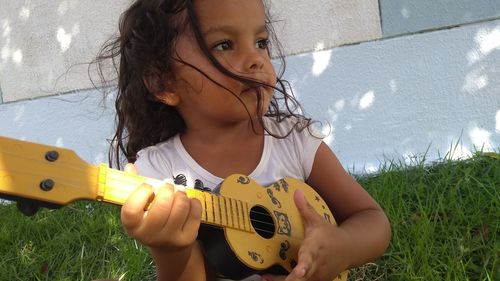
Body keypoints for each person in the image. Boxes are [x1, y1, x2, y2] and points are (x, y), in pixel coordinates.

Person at [96, 0, 391, 280]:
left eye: (261, 42)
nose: (255, 60)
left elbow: (371, 219)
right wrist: (172, 249)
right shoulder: (158, 174)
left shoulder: (294, 141)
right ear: (163, 81)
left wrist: (344, 247)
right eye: (224, 45)